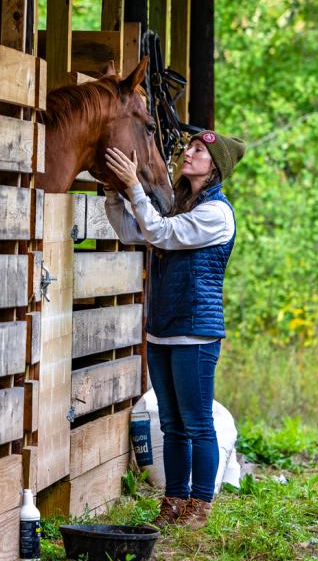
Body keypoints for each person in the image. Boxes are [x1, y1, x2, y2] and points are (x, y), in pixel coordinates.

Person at [102, 130, 247, 530]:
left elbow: (160, 232)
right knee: (171, 423)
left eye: (199, 150)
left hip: (195, 332)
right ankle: (173, 501)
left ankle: (200, 506)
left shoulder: (215, 213)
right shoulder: (180, 206)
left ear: (214, 166)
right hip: (163, 329)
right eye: (190, 147)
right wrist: (116, 194)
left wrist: (134, 185)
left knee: (197, 423)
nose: (190, 153)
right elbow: (135, 231)